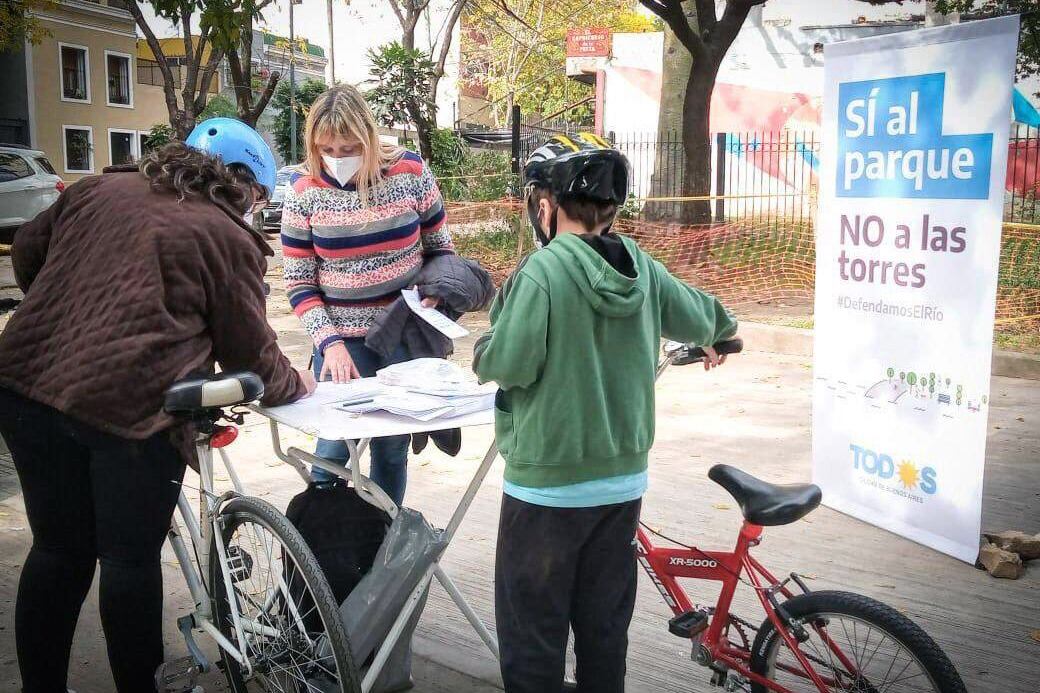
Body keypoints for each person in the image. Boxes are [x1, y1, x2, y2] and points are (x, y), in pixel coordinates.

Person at [0, 118, 316, 693]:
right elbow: (251, 351)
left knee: (59, 549)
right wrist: (298, 383)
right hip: (129, 407)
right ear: (243, 186)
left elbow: (27, 250)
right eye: (258, 198)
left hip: (27, 387)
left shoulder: (99, 188)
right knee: (128, 558)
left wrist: (68, 309)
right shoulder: (225, 236)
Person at [473, 135, 738, 693]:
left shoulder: (542, 272)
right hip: (621, 487)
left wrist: (483, 348)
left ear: (544, 205)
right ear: (611, 208)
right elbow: (705, 316)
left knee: (533, 641)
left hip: (546, 490)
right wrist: (718, 332)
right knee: (603, 633)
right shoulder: (642, 267)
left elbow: (508, 363)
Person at [281, 84, 454, 505]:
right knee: (332, 448)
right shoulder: (303, 190)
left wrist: (435, 292)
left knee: (391, 448)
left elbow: (441, 250)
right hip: (342, 342)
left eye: (349, 147)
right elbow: (300, 283)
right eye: (327, 149)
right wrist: (331, 345)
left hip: (403, 335)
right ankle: (323, 533)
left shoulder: (410, 172)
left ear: (369, 138)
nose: (338, 157)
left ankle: (383, 533)